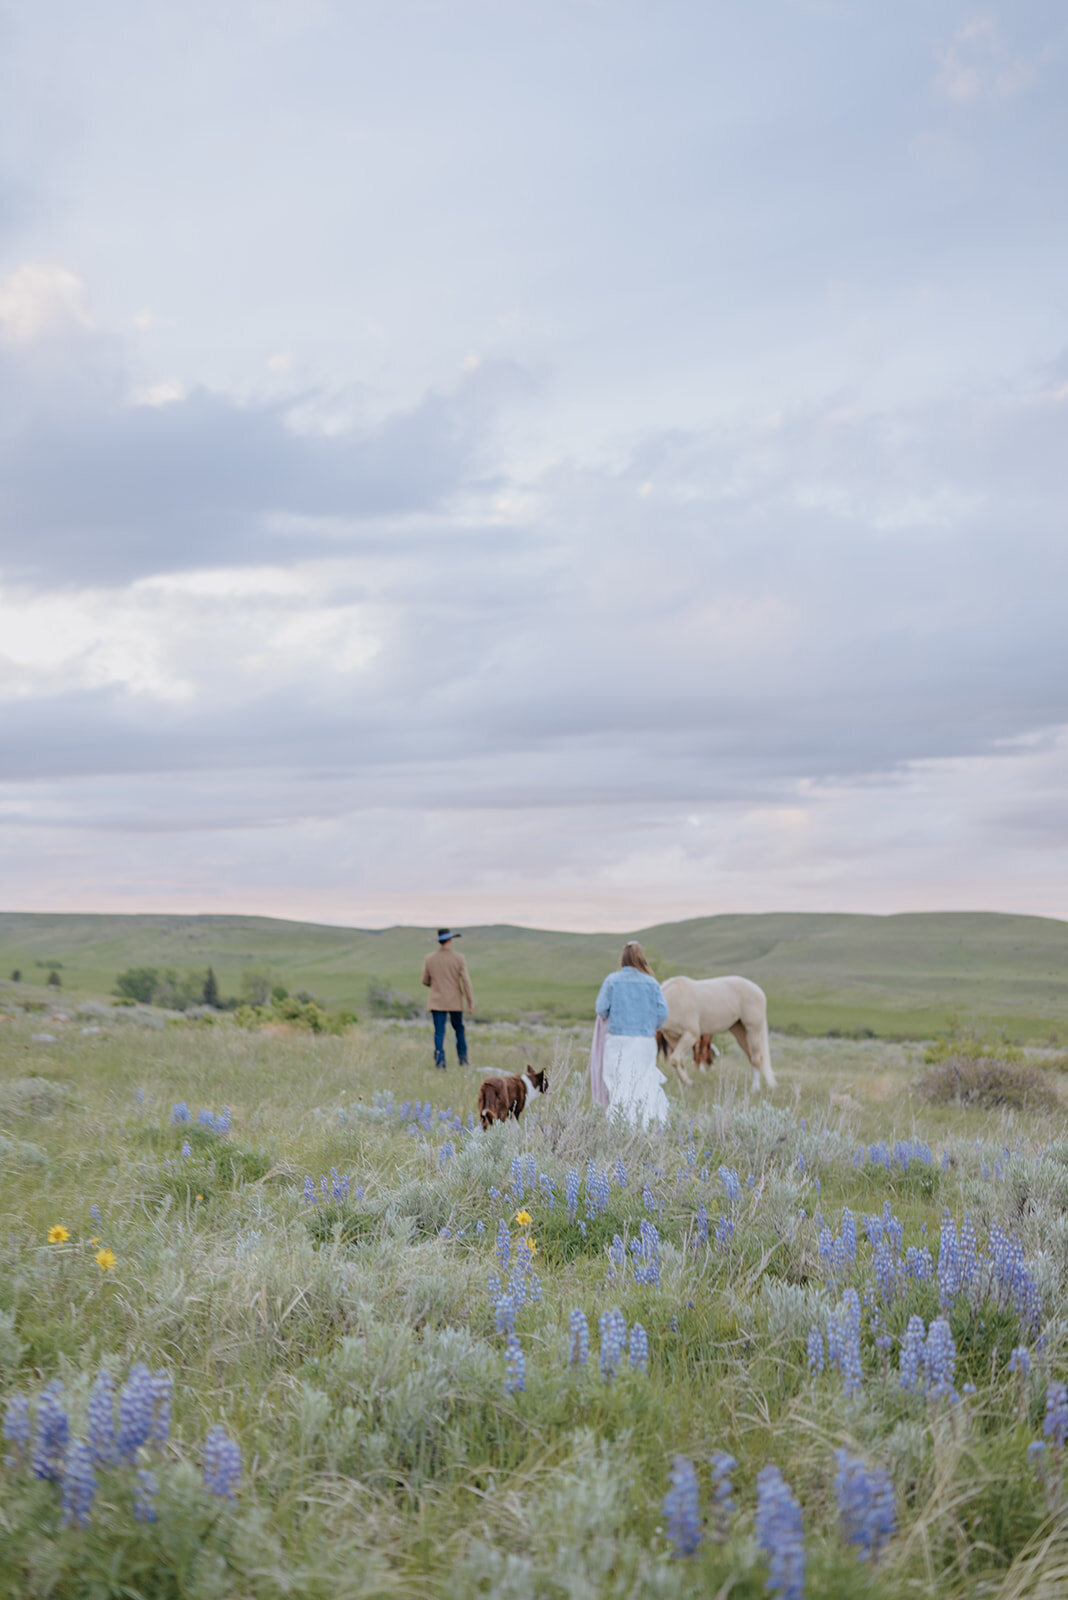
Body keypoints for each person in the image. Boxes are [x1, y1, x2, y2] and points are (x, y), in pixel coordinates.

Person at [592, 941, 669, 1125]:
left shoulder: (612, 980)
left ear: (623, 958)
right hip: (645, 1041)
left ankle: (618, 1124)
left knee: (618, 1082)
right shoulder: (652, 983)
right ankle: (646, 1122)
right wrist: (650, 1026)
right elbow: (663, 1013)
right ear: (642, 958)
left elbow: (601, 1008)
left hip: (618, 1039)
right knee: (644, 1080)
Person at [421, 928, 475, 1069]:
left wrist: (437, 986)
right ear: (450, 940)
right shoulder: (459, 958)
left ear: (439, 941)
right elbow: (466, 981)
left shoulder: (429, 958)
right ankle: (463, 1060)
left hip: (436, 1001)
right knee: (459, 1030)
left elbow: (425, 980)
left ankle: (440, 1062)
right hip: (455, 1001)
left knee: (439, 1033)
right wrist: (470, 1002)